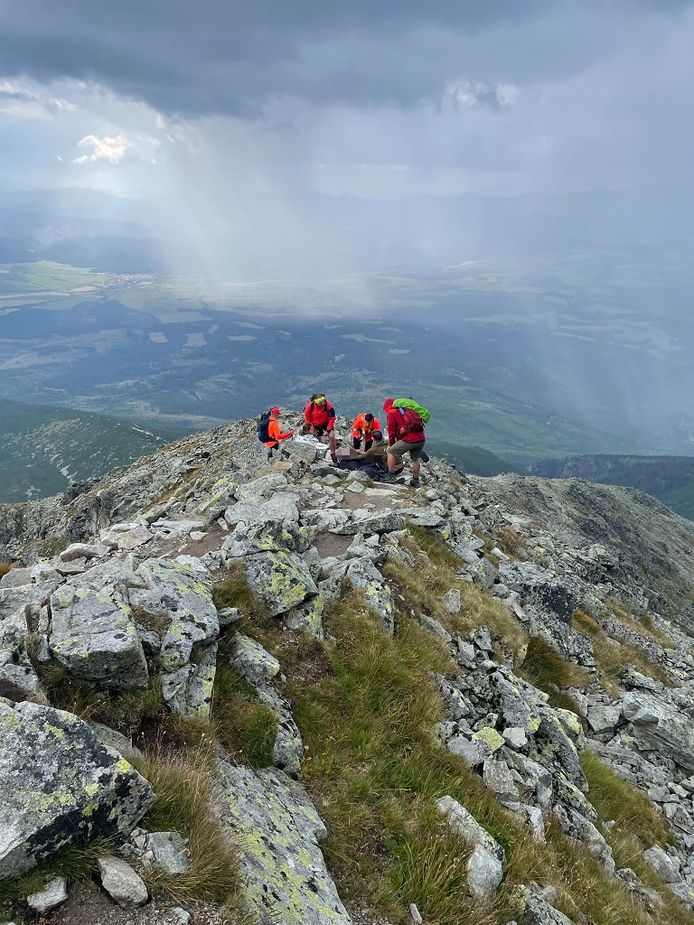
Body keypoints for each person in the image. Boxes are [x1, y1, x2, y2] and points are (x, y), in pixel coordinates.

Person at [382, 396, 426, 487]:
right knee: (415, 459)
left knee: (391, 452)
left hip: (409, 439)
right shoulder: (407, 411)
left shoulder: (392, 412)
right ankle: (415, 480)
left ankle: (391, 475)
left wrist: (392, 444)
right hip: (421, 438)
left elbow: (391, 432)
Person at [304, 393, 337, 462]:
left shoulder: (328, 405)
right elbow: (308, 420)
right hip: (315, 424)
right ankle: (319, 454)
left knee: (331, 436)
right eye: (320, 402)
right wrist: (311, 428)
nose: (323, 403)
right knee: (317, 438)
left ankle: (333, 454)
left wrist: (328, 430)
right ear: (315, 402)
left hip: (326, 422)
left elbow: (332, 417)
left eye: (323, 401)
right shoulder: (309, 407)